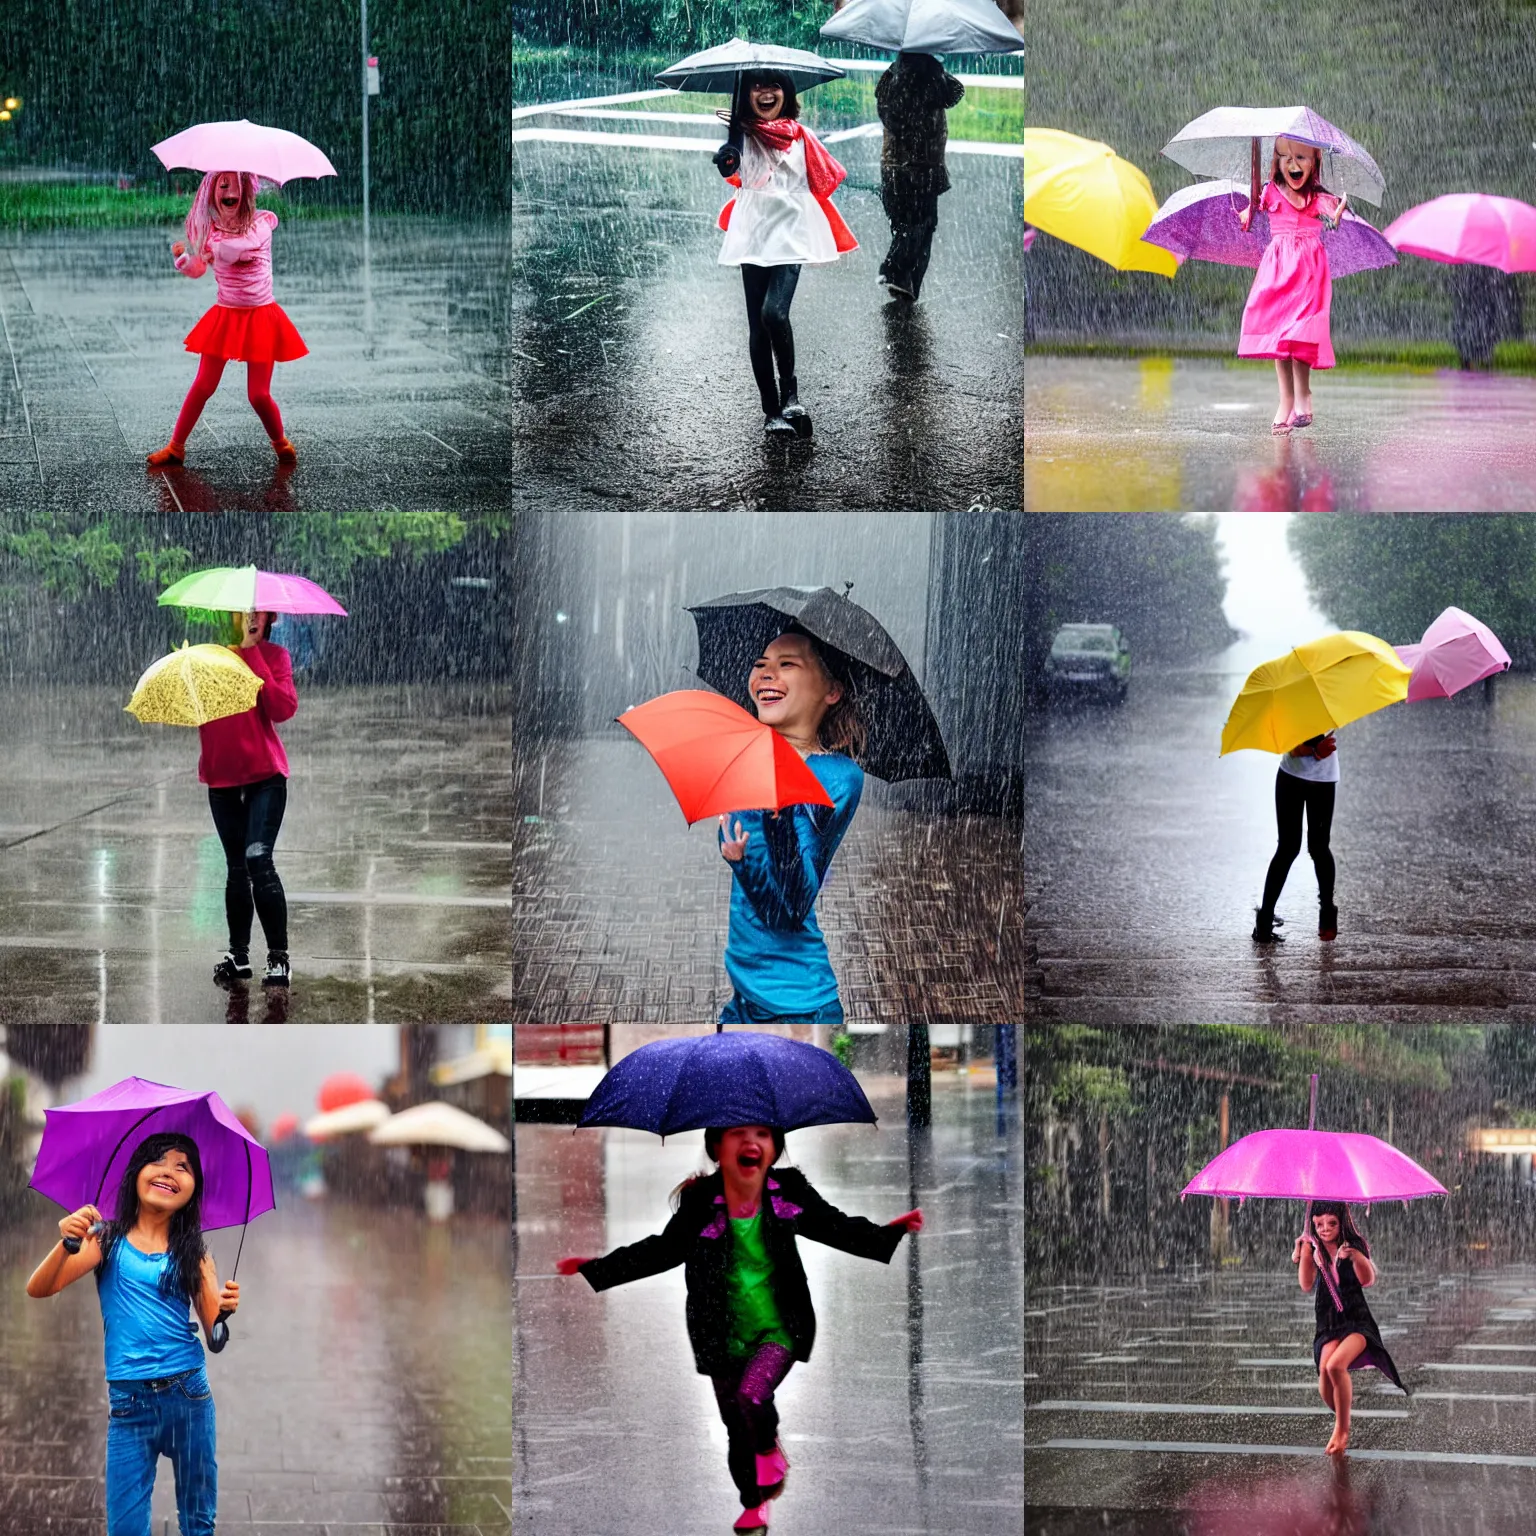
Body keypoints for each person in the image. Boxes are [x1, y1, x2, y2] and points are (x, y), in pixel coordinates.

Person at [556, 1124, 923, 1533]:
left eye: (763, 1134)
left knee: (753, 1395)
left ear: (775, 1147)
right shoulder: (700, 1202)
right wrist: (597, 1268)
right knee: (736, 1425)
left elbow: (831, 1225)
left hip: (779, 1328)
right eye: (738, 1134)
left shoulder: (789, 1191)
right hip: (720, 1333)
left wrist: (886, 1234)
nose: (752, 1143)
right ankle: (753, 1505)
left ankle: (769, 1449)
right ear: (716, 1147)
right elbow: (663, 1250)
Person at [25, 1133, 241, 1536]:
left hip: (188, 1399)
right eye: (157, 1160)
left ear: (193, 1189)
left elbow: (215, 1336)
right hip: (128, 1407)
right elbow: (39, 1288)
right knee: (124, 1528)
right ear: (136, 1174)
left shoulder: (194, 1251)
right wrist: (65, 1244)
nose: (169, 1171)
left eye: (183, 1166)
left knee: (198, 1523)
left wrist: (224, 1309)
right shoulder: (105, 1239)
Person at [716, 631, 864, 1024]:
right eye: (761, 664)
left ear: (831, 691)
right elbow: (733, 844)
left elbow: (791, 908)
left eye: (787, 665)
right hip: (744, 994)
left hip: (798, 1004)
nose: (766, 673)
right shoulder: (746, 761)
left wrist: (775, 825)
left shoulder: (835, 778)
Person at [712, 72, 858, 439]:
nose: (765, 93)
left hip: (792, 232)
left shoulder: (800, 135)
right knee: (757, 327)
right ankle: (771, 410)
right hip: (754, 233)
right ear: (745, 95)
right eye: (757, 86)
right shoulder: (741, 135)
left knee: (774, 312)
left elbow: (820, 179)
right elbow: (731, 165)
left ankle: (790, 389)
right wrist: (728, 158)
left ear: (787, 93)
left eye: (774, 86)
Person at [147, 170, 306, 469]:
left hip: (260, 317)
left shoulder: (260, 225)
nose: (229, 192)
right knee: (203, 384)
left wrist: (211, 246)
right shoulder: (214, 232)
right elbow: (200, 267)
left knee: (258, 395)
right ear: (212, 192)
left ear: (248, 192)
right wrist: (186, 260)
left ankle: (281, 443)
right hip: (225, 315)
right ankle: (175, 447)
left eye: (237, 186)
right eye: (222, 185)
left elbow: (236, 252)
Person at [202, 609, 298, 989]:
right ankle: (238, 957)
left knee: (258, 858)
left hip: (266, 777)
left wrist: (252, 654)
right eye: (242, 612)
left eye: (257, 612)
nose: (250, 618)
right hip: (222, 779)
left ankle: (278, 959)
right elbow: (204, 714)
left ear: (268, 618)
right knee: (236, 866)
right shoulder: (212, 659)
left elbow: (282, 708)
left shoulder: (275, 657)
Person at [1237, 138, 1348, 433]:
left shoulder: (1316, 197)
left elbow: (1333, 217)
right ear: (1275, 162)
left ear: (1315, 162)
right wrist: (1248, 213)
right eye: (1284, 157)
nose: (1292, 164)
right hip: (1278, 268)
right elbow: (1254, 212)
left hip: (1308, 271)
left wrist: (1335, 217)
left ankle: (1303, 394)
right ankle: (1286, 399)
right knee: (1279, 337)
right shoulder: (1270, 191)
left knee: (1300, 333)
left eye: (1300, 157)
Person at [1292, 1202, 1407, 1454]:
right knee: (1324, 1373)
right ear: (1312, 1223)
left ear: (1341, 1221)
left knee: (1336, 1366)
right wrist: (1304, 1250)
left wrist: (1356, 1256)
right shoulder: (1314, 1248)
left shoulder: (1352, 1245)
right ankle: (1343, 1413)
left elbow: (1368, 1280)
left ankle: (1342, 1430)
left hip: (1356, 1321)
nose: (1325, 1229)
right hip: (1328, 1322)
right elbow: (1305, 1283)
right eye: (1319, 1224)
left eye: (1331, 1223)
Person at [875, 51, 965, 302]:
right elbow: (955, 92)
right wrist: (935, 67)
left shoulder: (891, 79)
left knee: (906, 225)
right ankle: (897, 272)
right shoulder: (932, 80)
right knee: (922, 225)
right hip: (922, 167)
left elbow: (953, 92)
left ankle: (906, 283)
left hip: (896, 166)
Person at [1252, 730, 1338, 944]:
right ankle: (1327, 919)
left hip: (1291, 776)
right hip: (1322, 778)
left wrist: (1305, 749)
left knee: (1287, 848)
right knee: (1319, 848)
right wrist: (1315, 751)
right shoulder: (1328, 700)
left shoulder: (1286, 699)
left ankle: (1264, 923)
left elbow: (1285, 741)